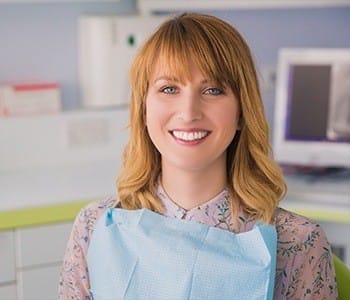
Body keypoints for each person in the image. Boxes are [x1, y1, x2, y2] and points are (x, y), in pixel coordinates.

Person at [59, 13, 338, 299]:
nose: (189, 112)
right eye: (169, 89)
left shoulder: (296, 242)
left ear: (242, 112)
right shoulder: (94, 227)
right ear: (143, 109)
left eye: (213, 90)